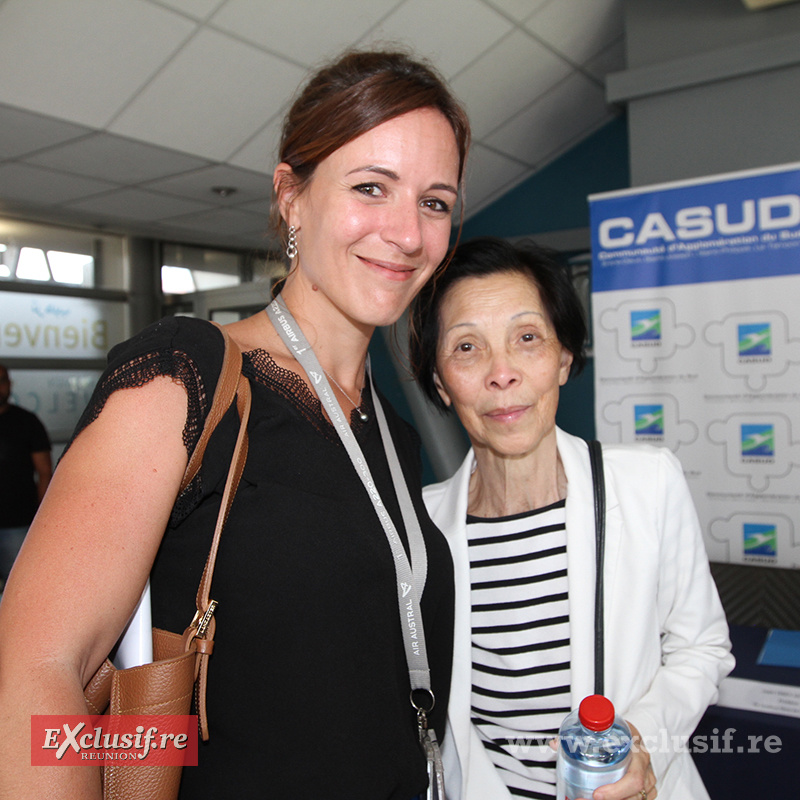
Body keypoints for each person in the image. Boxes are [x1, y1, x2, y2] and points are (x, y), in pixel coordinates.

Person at [0, 49, 470, 800]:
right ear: (292, 195)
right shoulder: (187, 375)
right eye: (371, 188)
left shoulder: (393, 433)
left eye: (435, 202)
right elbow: (37, 670)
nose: (407, 233)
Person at [408, 237, 734, 800]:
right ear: (440, 383)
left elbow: (701, 646)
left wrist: (642, 740)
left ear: (563, 359)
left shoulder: (646, 483)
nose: (501, 373)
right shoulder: (421, 526)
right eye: (467, 348)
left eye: (527, 338)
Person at [0, 363, 52, 591]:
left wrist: (41, 518)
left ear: (10, 384)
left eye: (2, 380)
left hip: (19, 523)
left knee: (19, 590)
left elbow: (44, 472)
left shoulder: (27, 422)